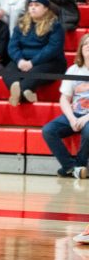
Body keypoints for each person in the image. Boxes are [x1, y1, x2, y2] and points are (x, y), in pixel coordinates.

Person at [4, 0, 66, 106]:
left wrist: (32, 62)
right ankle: (25, 93)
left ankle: (20, 93)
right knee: (8, 71)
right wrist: (19, 60)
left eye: (37, 5)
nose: (32, 7)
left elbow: (53, 48)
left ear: (46, 8)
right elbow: (12, 46)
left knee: (34, 73)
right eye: (31, 5)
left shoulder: (55, 25)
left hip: (49, 62)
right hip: (24, 60)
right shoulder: (21, 24)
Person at [42, 33, 89, 179]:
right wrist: (71, 119)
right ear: (81, 49)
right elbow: (64, 98)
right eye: (86, 44)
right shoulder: (74, 69)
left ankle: (78, 166)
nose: (88, 46)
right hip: (75, 113)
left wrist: (87, 117)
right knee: (48, 130)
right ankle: (72, 168)